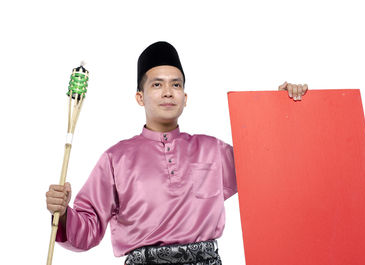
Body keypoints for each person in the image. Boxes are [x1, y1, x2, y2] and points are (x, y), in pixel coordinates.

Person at [46, 41, 308, 265]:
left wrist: (285, 109)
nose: (168, 92)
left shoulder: (212, 149)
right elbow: (88, 231)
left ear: (185, 97)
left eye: (176, 85)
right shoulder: (117, 158)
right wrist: (64, 213)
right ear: (140, 97)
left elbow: (269, 163)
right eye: (157, 85)